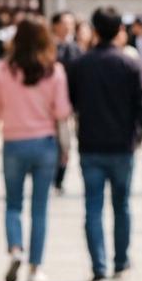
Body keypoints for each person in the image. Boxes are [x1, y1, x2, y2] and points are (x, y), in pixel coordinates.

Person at [68, 7, 142, 281]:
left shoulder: (81, 64)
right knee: (121, 205)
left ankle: (99, 269)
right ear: (120, 30)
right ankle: (121, 261)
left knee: (92, 207)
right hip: (122, 146)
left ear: (94, 30)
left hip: (90, 145)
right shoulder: (130, 64)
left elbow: (72, 101)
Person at [0, 17, 72, 281]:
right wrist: (65, 147)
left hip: (13, 143)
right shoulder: (53, 71)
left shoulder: (2, 69)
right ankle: (35, 268)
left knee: (13, 204)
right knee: (40, 208)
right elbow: (62, 113)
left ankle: (15, 249)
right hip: (44, 144)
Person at [50, 12, 81, 194]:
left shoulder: (75, 49)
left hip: (68, 104)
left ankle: (59, 178)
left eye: (71, 23)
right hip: (47, 104)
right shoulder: (48, 47)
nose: (68, 26)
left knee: (65, 143)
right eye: (64, 23)